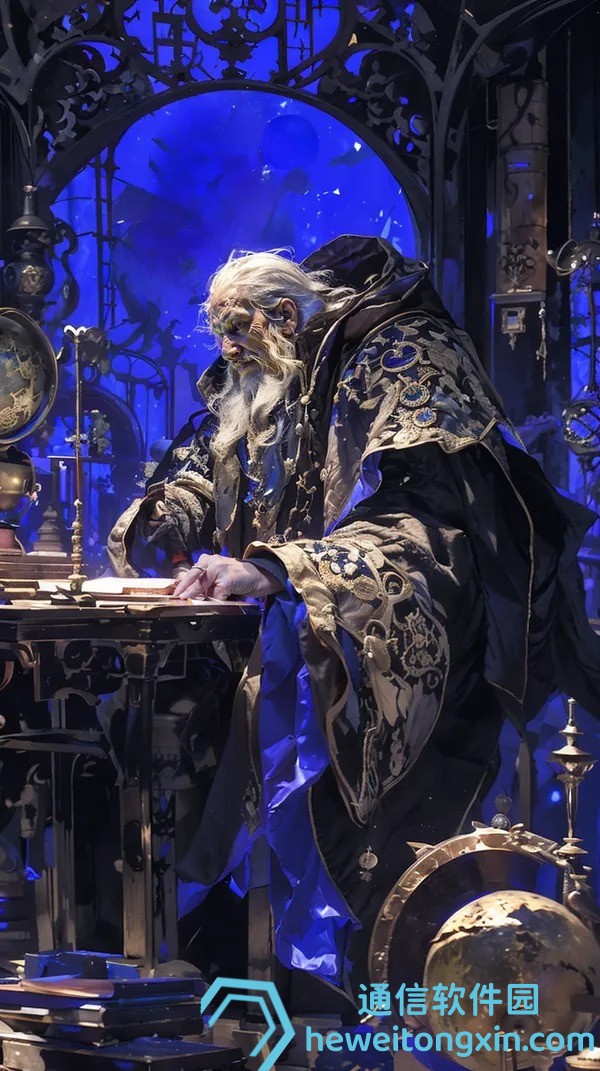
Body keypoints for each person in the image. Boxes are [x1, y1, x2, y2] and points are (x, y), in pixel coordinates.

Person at [108, 235, 600, 998]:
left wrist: (282, 570)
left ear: (282, 314)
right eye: (218, 331)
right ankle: (195, 968)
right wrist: (167, 517)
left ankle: (368, 1003)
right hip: (259, 634)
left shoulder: (402, 351)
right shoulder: (260, 368)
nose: (227, 349)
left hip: (405, 638)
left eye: (236, 328)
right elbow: (209, 465)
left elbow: (426, 530)